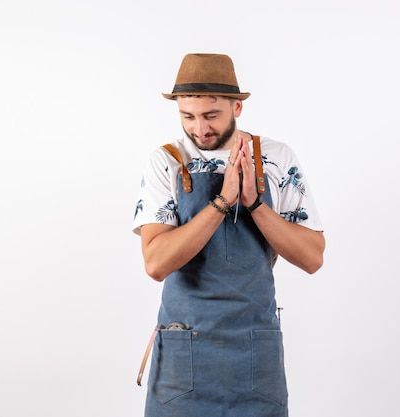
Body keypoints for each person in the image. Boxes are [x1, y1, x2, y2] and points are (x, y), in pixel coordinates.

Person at [132, 53, 325, 417]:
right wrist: (222, 202)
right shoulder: (167, 161)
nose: (199, 129)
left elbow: (313, 257)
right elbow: (156, 263)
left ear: (237, 107)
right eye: (187, 116)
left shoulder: (276, 158)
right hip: (183, 349)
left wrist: (255, 204)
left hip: (255, 351)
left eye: (211, 116)